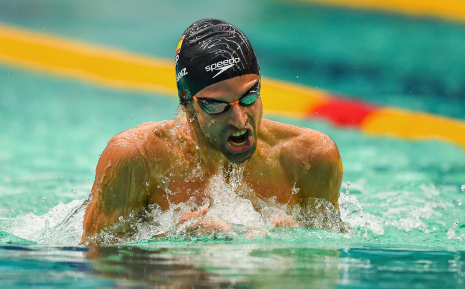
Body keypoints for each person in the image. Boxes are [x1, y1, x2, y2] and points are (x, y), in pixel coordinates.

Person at [81, 19, 343, 242]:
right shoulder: (136, 158)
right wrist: (172, 245)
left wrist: (295, 251)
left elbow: (330, 260)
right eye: (217, 106)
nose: (240, 120)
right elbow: (96, 261)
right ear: (187, 101)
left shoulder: (309, 158)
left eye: (249, 96)